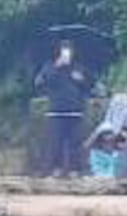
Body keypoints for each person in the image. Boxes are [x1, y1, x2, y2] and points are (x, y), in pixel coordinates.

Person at [32, 44, 95, 177]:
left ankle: (74, 169)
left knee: (75, 142)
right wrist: (56, 66)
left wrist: (82, 80)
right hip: (56, 111)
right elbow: (40, 82)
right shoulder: (49, 66)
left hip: (75, 110)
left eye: (69, 52)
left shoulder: (78, 67)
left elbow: (90, 85)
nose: (67, 55)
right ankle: (56, 168)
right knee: (55, 142)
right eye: (64, 52)